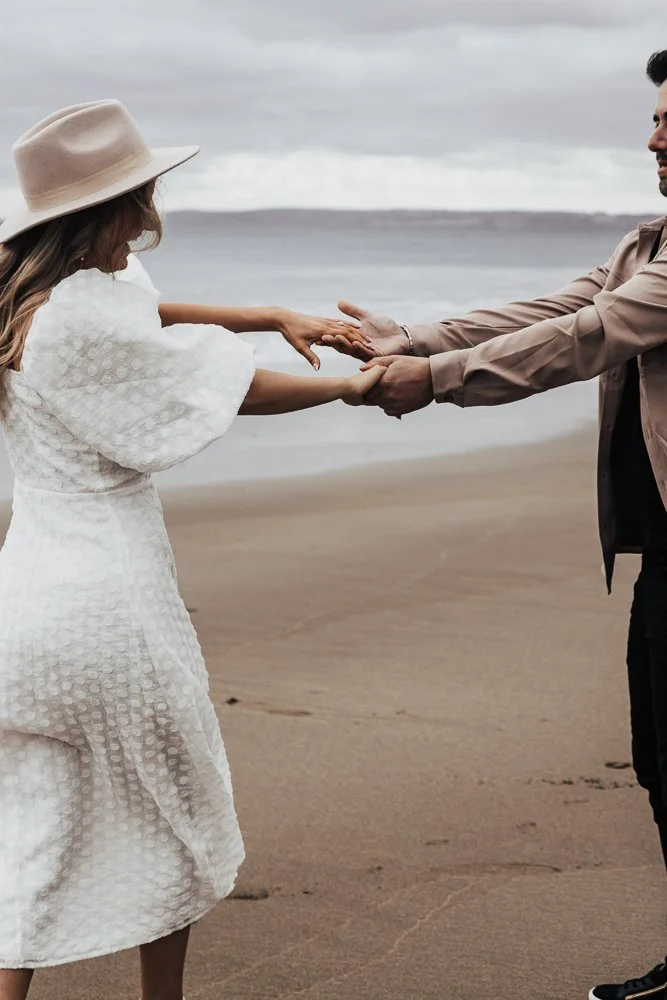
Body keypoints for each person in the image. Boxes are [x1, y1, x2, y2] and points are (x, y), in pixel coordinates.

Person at [0, 99, 384, 1000]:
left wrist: (267, 313)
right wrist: (353, 391)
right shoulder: (79, 324)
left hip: (25, 603)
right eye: (137, 201)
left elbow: (148, 311)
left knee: (35, 828)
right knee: (174, 810)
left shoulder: (31, 297)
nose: (147, 218)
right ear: (102, 212)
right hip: (106, 601)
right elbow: (228, 391)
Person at [323, 47, 667, 1000]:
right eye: (653, 118)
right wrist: (419, 339)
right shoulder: (649, 240)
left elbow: (588, 338)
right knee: (658, 758)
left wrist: (429, 381)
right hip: (664, 553)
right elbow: (560, 303)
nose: (654, 135)